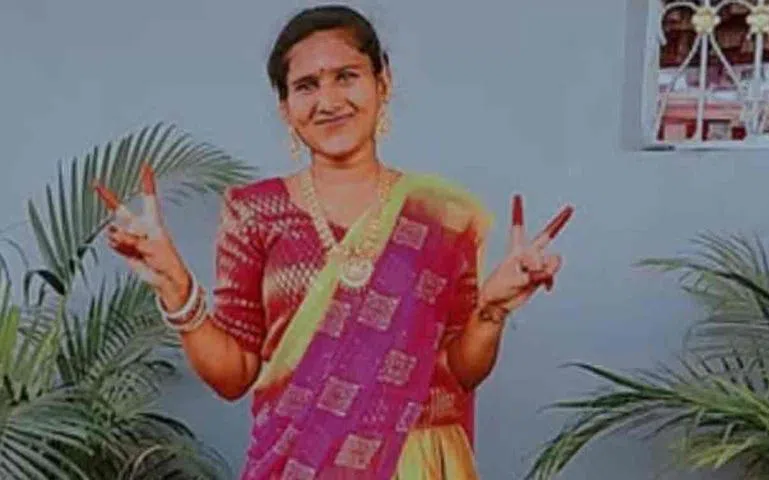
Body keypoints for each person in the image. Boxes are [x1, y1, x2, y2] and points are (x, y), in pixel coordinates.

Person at [95, 4, 569, 479]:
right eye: (306, 86)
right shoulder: (255, 211)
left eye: (346, 76)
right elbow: (233, 376)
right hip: (299, 462)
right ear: (285, 107)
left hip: (414, 464)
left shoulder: (442, 215)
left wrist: (492, 311)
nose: (328, 100)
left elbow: (460, 372)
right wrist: (175, 286)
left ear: (383, 82)